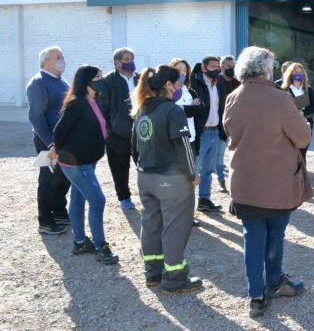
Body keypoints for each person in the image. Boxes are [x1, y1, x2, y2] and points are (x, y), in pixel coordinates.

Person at [223, 46, 312, 318]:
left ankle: (256, 295)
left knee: (252, 239)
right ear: (265, 70)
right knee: (275, 235)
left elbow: (228, 131)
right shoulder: (280, 99)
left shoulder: (233, 97)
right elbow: (303, 138)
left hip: (244, 183)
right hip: (276, 184)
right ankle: (274, 282)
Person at [131, 65, 203, 292]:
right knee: (175, 227)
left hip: (145, 176)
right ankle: (175, 277)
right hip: (170, 180)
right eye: (179, 85)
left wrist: (144, 169)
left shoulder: (142, 110)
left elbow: (134, 147)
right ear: (168, 85)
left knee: (151, 224)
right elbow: (183, 147)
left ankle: (152, 272)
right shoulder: (173, 111)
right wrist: (192, 175)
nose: (180, 89)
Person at [53, 65, 119, 264]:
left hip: (89, 161)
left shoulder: (92, 100)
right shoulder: (77, 103)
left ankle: (80, 242)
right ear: (87, 80)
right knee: (98, 200)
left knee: (78, 198)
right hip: (76, 162)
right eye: (97, 77)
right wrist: (65, 151)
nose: (101, 79)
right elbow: (59, 132)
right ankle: (101, 246)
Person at [26, 46, 71, 235]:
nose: (62, 59)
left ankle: (59, 211)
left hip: (64, 140)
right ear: (46, 61)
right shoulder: (38, 83)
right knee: (49, 179)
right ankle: (45, 219)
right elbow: (36, 117)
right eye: (57, 57)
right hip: (48, 141)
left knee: (64, 178)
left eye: (62, 56)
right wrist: (51, 143)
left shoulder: (61, 82)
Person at [99, 47, 139, 209]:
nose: (130, 63)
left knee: (145, 165)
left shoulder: (141, 78)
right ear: (117, 63)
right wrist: (108, 132)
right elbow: (103, 108)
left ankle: (149, 195)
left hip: (141, 131)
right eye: (126, 60)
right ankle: (124, 197)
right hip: (117, 134)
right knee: (119, 167)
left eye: (131, 59)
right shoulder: (108, 80)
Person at [170, 58, 207, 228]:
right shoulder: (169, 92)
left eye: (185, 70)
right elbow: (172, 112)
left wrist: (185, 109)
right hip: (175, 142)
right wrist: (188, 109)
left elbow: (201, 109)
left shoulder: (189, 91)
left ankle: (188, 216)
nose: (182, 73)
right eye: (179, 70)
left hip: (191, 140)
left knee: (190, 180)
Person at [190, 56, 226, 212]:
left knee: (208, 170)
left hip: (214, 132)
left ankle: (204, 199)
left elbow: (221, 106)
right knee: (194, 171)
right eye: (212, 66)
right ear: (204, 68)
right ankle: (187, 206)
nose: (216, 69)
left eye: (218, 66)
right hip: (201, 133)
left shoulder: (218, 82)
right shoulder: (195, 82)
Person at [214, 54, 241, 193]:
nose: (232, 69)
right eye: (229, 66)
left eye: (233, 66)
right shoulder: (216, 82)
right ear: (222, 67)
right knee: (219, 154)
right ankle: (221, 180)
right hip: (220, 125)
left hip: (236, 124)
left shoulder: (238, 83)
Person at [280, 62, 314, 161]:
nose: (299, 74)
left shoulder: (308, 90)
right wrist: (295, 114)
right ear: (290, 74)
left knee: (302, 151)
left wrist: (303, 113)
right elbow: (282, 107)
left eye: (301, 72)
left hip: (305, 123)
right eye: (296, 72)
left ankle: (302, 175)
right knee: (291, 151)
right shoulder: (284, 90)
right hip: (290, 124)